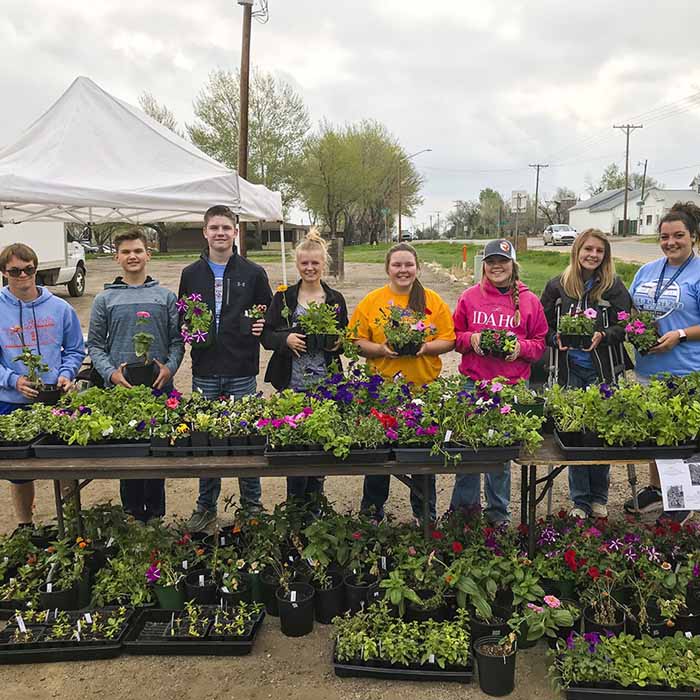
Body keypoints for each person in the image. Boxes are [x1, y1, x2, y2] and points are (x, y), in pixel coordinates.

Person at [178, 205, 272, 531]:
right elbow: (183, 317)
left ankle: (252, 507)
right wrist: (188, 329)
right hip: (204, 369)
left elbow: (270, 316)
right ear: (205, 232)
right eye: (214, 227)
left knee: (246, 440)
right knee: (206, 443)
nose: (220, 233)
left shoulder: (253, 273)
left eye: (226, 227)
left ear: (235, 232)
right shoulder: (191, 274)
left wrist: (262, 325)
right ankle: (206, 507)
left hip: (241, 370)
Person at [351, 243, 455, 523]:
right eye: (397, 265)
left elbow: (450, 339)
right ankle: (372, 512)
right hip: (382, 391)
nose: (403, 270)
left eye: (408, 264)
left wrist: (426, 347)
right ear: (387, 268)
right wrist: (381, 350)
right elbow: (357, 341)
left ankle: (425, 515)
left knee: (422, 457)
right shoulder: (373, 301)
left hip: (423, 390)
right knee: (378, 456)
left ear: (417, 267)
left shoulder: (432, 301)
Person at [87, 228, 184, 523]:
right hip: (121, 391)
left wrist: (169, 369)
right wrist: (110, 374)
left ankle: (155, 516)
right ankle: (131, 514)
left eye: (138, 251)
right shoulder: (104, 299)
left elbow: (178, 340)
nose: (133, 256)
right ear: (117, 257)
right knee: (127, 456)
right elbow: (95, 345)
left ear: (148, 255)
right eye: (126, 252)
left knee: (157, 453)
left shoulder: (165, 297)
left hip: (158, 388)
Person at [450, 239, 547, 525]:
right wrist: (472, 339)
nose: (497, 266)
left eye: (503, 261)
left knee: (501, 456)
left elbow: (540, 343)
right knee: (467, 450)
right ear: (484, 265)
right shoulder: (469, 297)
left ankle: (497, 514)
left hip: (511, 386)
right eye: (491, 261)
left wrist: (521, 348)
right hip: (474, 384)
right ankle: (464, 514)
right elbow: (454, 336)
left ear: (513, 265)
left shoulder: (530, 301)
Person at [540, 229, 633, 519]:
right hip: (569, 370)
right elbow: (541, 325)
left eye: (599, 251)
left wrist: (604, 335)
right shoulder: (558, 285)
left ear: (605, 256)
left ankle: (599, 498)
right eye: (588, 249)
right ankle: (580, 501)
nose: (593, 255)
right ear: (577, 250)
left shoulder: (613, 286)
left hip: (601, 371)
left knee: (599, 434)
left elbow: (628, 324)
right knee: (575, 435)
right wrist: (554, 336)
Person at [623, 201, 700, 524]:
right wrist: (631, 328)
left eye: (678, 235)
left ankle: (684, 500)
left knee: (684, 440)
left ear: (693, 236)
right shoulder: (647, 270)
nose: (671, 242)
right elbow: (630, 310)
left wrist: (680, 334)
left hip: (685, 371)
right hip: (647, 368)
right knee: (654, 434)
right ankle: (657, 488)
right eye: (665, 237)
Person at [261, 229, 349, 507]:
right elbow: (266, 335)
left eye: (315, 263)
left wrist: (337, 343)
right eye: (304, 263)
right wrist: (285, 339)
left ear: (325, 264)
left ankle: (316, 503)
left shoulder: (334, 299)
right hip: (292, 385)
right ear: (297, 265)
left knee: (321, 446)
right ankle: (295, 505)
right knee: (295, 447)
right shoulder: (284, 298)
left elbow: (345, 337)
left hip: (326, 384)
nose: (310, 268)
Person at [0, 243, 85, 526]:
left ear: (36, 269)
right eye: (15, 271)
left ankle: (72, 525)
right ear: (4, 272)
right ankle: (25, 527)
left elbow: (74, 349)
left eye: (29, 269)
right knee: (19, 473)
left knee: (65, 465)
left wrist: (67, 373)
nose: (23, 275)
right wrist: (13, 380)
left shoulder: (60, 308)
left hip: (55, 400)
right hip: (13, 401)